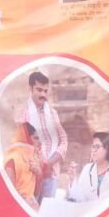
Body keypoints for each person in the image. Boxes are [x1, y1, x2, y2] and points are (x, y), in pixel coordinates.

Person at [22, 70, 68, 198]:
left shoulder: (52, 113)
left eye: (45, 91)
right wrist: (38, 167)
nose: (43, 94)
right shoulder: (23, 114)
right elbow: (20, 144)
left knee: (47, 209)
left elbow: (63, 141)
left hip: (50, 175)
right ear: (30, 89)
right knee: (30, 209)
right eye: (39, 90)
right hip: (29, 175)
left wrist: (48, 164)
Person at [67, 131, 109, 203]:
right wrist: (72, 180)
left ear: (107, 148)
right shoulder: (87, 169)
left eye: (97, 147)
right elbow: (80, 199)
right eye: (93, 147)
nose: (93, 150)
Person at [4, 122, 44, 210]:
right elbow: (8, 195)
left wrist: (39, 173)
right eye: (36, 138)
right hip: (17, 209)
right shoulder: (12, 159)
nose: (39, 142)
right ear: (26, 138)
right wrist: (25, 203)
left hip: (31, 207)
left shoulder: (33, 159)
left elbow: (35, 193)